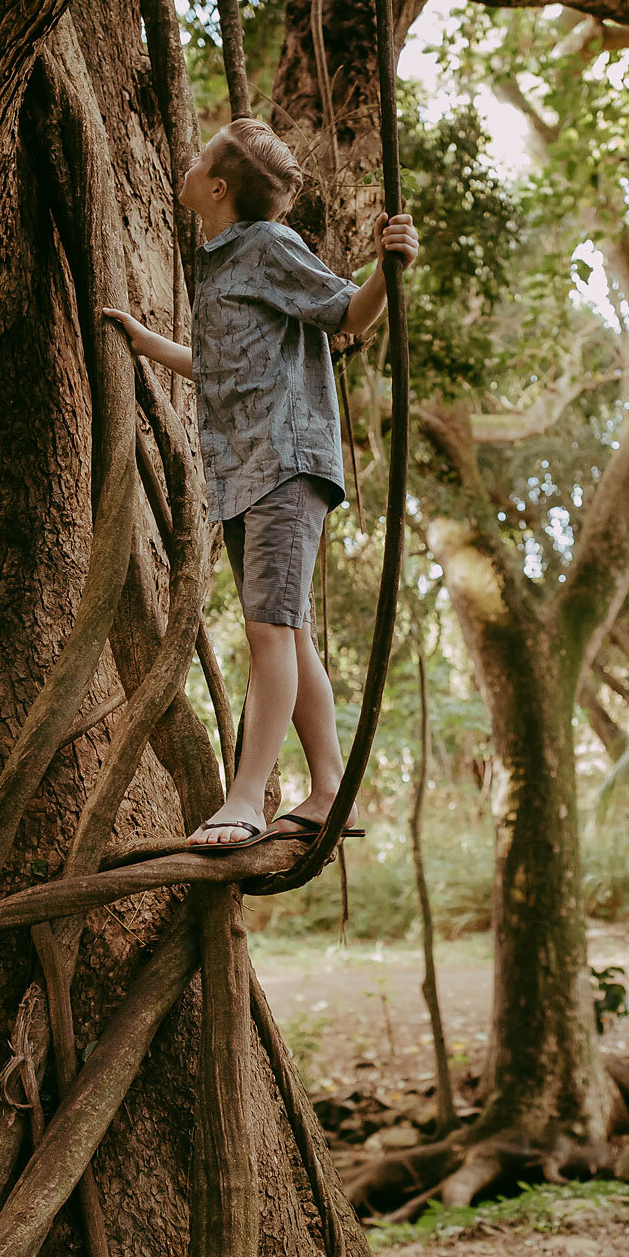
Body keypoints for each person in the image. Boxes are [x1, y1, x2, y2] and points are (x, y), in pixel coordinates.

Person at [103, 119, 418, 848]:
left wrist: (386, 268)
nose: (185, 161)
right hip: (244, 472)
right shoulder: (218, 259)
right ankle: (329, 788)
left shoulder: (270, 245)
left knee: (268, 628)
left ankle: (245, 798)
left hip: (284, 463)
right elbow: (225, 366)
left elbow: (347, 313)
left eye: (198, 156)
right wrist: (147, 344)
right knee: (290, 627)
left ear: (217, 186)